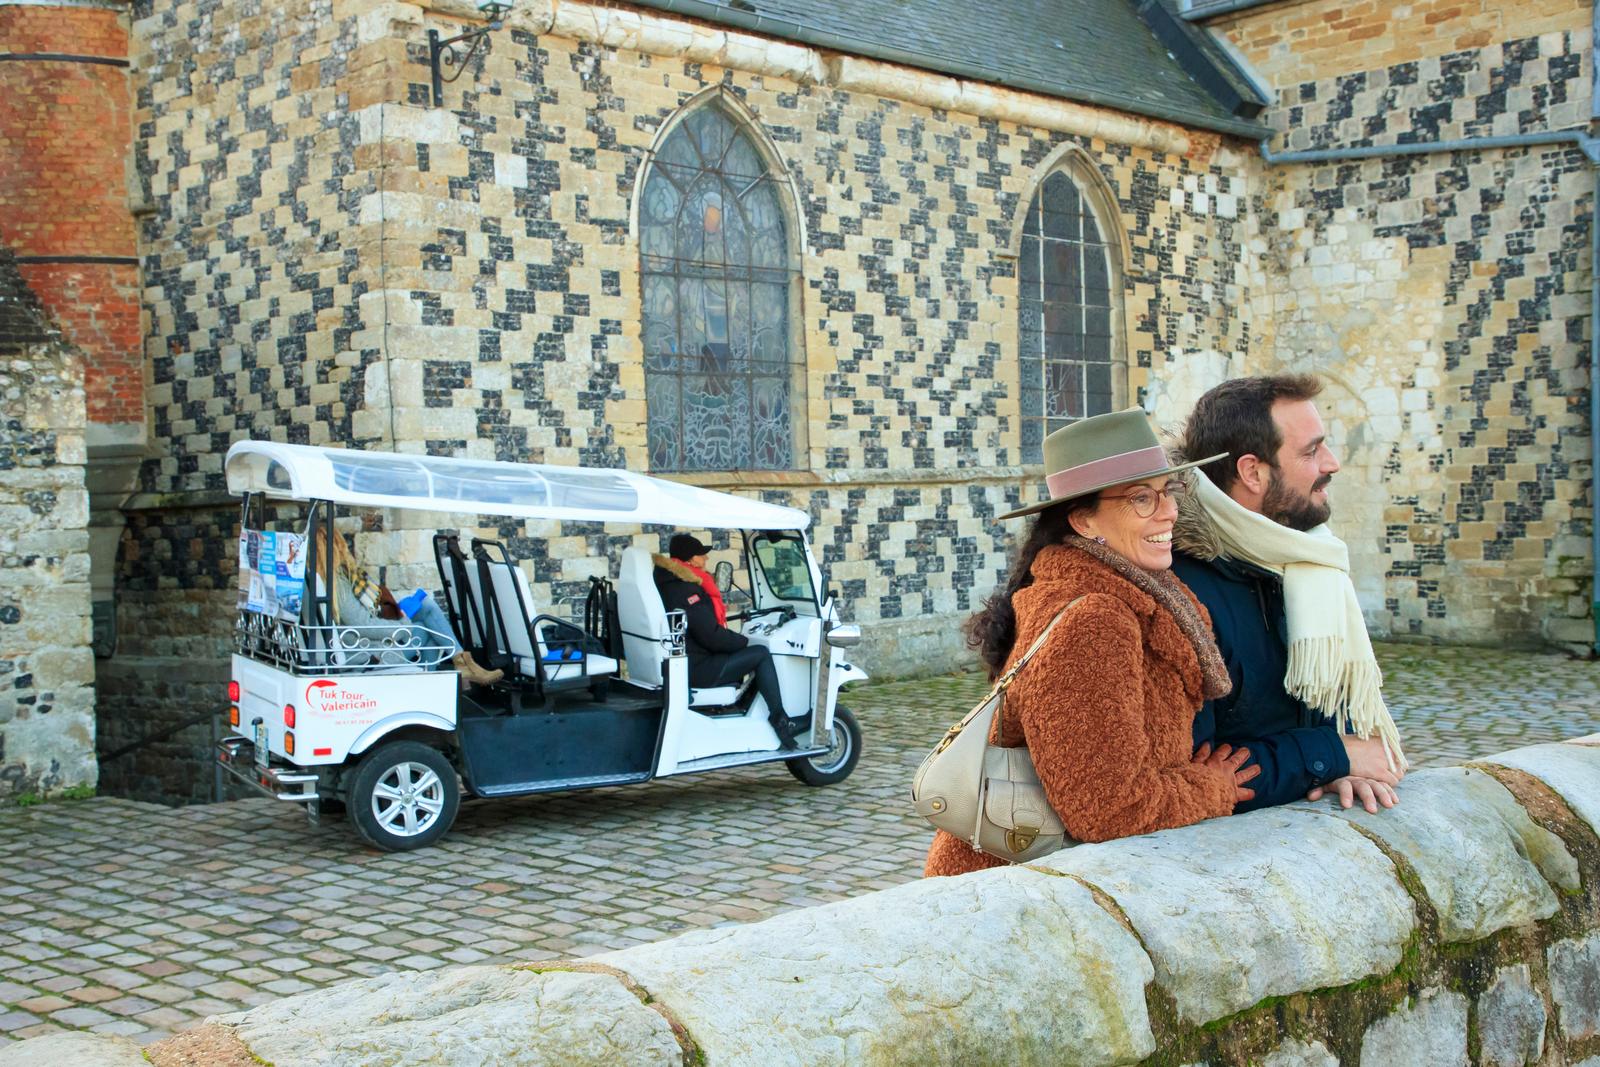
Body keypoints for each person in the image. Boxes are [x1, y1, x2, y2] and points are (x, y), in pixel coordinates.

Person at [925, 409, 1260, 877]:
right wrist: (1213, 786)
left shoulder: (1135, 596)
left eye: (1169, 492)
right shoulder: (1094, 620)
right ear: (1084, 522)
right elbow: (1109, 808)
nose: (1169, 512)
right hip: (1011, 885)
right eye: (1142, 498)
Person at [1171, 374, 1406, 816]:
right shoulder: (1181, 592)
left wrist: (1344, 760)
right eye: (1312, 451)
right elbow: (1192, 778)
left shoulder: (1312, 558)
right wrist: (1329, 755)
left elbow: (1349, 725)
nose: (1332, 463)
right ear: (1252, 472)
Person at [653, 533, 808, 748]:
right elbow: (711, 637)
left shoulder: (669, 583)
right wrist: (743, 641)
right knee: (760, 654)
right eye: (701, 555)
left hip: (688, 660)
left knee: (748, 653)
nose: (706, 559)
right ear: (689, 559)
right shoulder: (686, 589)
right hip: (698, 667)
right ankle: (782, 722)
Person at [314, 524, 503, 686]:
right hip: (367, 655)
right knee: (429, 628)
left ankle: (459, 664)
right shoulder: (337, 583)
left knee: (426, 607)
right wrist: (402, 626)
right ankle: (448, 673)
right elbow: (361, 624)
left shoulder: (329, 581)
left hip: (365, 646)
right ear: (335, 548)